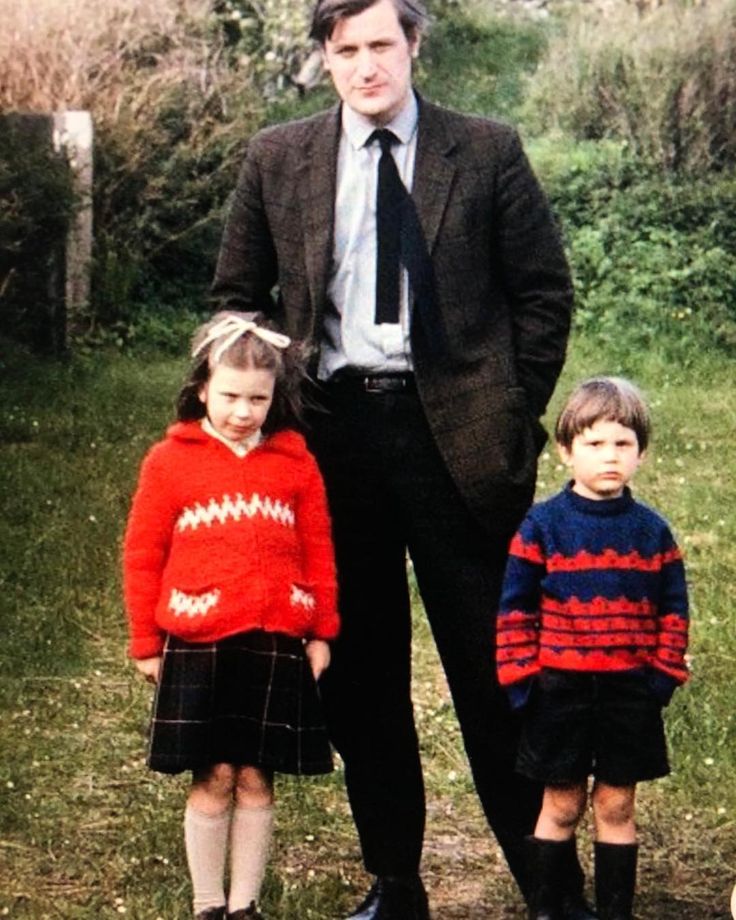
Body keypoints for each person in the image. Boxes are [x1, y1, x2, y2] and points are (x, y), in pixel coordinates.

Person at [212, 0, 578, 916]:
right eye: (347, 51)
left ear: (414, 45)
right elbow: (232, 303)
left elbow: (543, 295)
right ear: (325, 60)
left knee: (496, 669)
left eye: (382, 45)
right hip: (330, 440)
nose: (367, 66)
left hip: (455, 442)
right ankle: (395, 881)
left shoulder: (485, 150)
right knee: (362, 675)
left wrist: (507, 406)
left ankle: (547, 884)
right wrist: (268, 412)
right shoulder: (279, 157)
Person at [122, 312, 339, 920]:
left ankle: (245, 905)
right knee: (214, 771)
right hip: (200, 639)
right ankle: (207, 903)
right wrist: (146, 640)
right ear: (201, 391)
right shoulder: (170, 462)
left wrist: (322, 629)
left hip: (274, 639)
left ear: (276, 398)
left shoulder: (295, 464)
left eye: (257, 399)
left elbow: (319, 551)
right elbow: (142, 554)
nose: (243, 412)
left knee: (256, 775)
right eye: (230, 397)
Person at [497, 376, 690, 920]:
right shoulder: (542, 527)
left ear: (642, 454)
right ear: (566, 451)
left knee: (616, 802)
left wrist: (660, 678)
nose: (609, 456)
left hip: (629, 692)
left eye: (622, 444)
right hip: (559, 691)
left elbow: (674, 613)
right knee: (560, 804)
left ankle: (614, 911)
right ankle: (546, 907)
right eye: (594, 443)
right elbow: (515, 610)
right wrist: (522, 682)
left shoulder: (653, 533)